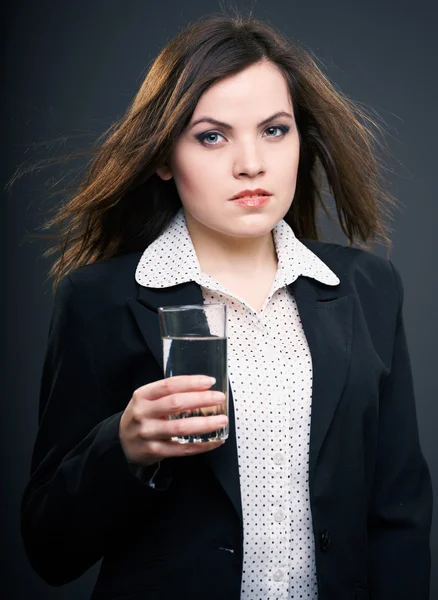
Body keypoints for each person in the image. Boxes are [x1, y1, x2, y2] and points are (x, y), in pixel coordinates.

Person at [20, 12, 432, 600]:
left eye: (274, 130)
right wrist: (123, 447)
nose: (251, 164)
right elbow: (48, 548)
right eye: (212, 135)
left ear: (300, 141)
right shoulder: (100, 301)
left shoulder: (369, 287)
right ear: (164, 157)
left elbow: (400, 516)